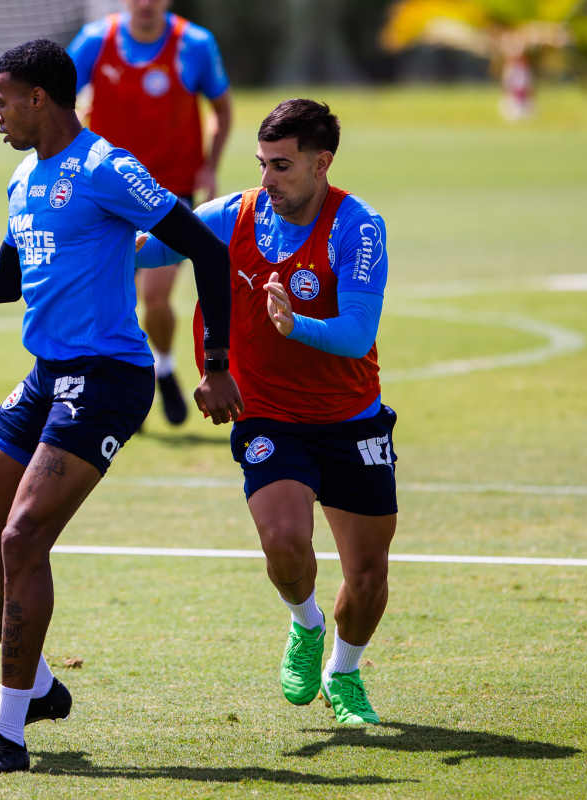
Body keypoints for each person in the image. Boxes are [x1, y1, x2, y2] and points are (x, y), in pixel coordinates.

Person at [0, 39, 242, 773]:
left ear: (38, 99)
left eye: (0, 100)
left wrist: (214, 367)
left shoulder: (107, 169)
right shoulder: (23, 177)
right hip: (47, 372)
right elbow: (5, 279)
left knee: (22, 536)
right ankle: (41, 687)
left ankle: (12, 734)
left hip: (110, 377)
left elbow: (206, 251)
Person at [137, 99, 396, 725]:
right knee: (284, 542)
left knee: (365, 578)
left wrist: (293, 323)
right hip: (268, 414)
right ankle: (306, 625)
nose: (267, 179)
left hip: (352, 417)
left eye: (282, 166)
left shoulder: (357, 227)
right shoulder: (233, 215)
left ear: (321, 163)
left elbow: (358, 334)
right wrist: (83, 238)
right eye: (262, 164)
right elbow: (154, 251)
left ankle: (345, 671)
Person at [68, 0, 232, 425]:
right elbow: (55, 99)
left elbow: (222, 109)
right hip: (105, 193)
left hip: (169, 192)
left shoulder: (193, 44)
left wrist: (210, 164)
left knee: (154, 297)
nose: (145, 3)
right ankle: (137, 379)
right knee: (108, 298)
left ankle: (162, 364)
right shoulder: (94, 41)